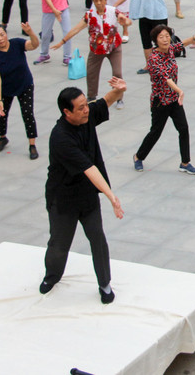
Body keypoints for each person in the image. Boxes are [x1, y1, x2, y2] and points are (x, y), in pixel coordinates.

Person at [40, 80, 127, 304]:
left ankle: (105, 284)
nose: (86, 109)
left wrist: (120, 90)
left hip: (87, 196)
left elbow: (106, 100)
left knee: (97, 237)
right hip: (63, 198)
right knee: (59, 244)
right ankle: (52, 276)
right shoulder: (60, 137)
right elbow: (89, 169)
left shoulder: (86, 116)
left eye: (85, 105)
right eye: (80, 108)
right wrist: (111, 196)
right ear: (66, 112)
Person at [133, 23, 195, 174]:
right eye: (161, 37)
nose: (165, 39)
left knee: (184, 128)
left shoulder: (170, 50)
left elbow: (182, 43)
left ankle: (185, 163)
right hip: (160, 101)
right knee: (155, 132)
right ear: (156, 40)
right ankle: (138, 157)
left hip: (174, 100)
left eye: (167, 36)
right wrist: (180, 90)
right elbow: (165, 78)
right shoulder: (153, 58)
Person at [0, 23, 41, 159]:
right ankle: (3, 137)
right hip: (6, 89)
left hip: (25, 84)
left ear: (6, 34)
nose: (0, 39)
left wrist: (31, 32)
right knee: (1, 115)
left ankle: (32, 144)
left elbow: (34, 45)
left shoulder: (17, 43)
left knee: (27, 113)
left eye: (2, 35)